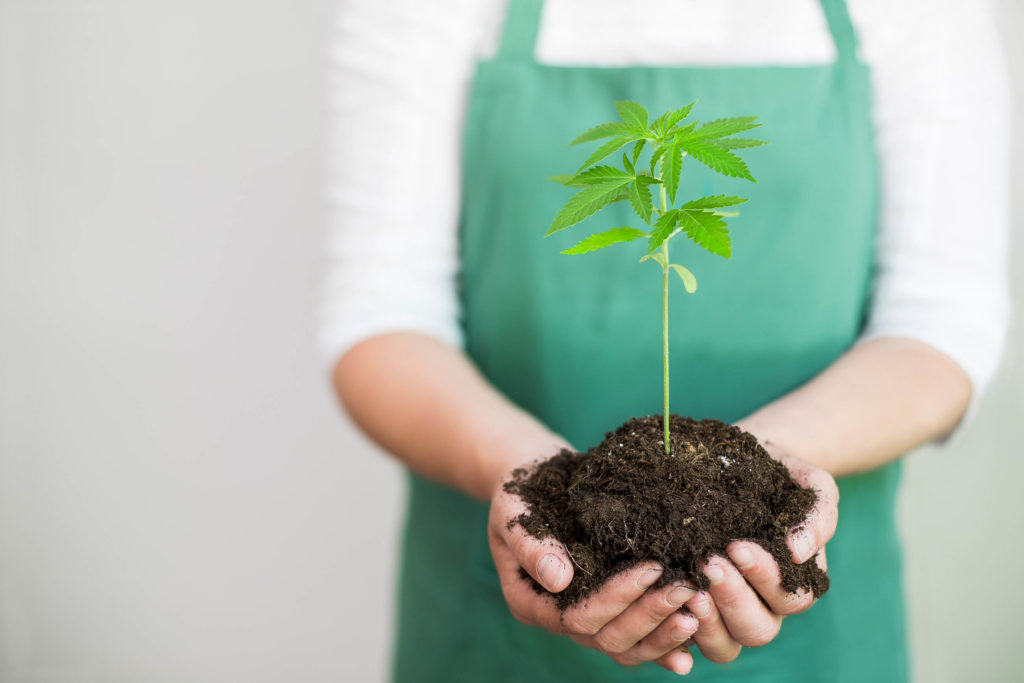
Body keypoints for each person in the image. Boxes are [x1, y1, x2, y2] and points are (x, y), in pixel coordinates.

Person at [323, 0, 1010, 680]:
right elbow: (384, 312)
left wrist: (767, 469)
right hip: (498, 627)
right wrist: (524, 469)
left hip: (814, 625)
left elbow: (941, 318)